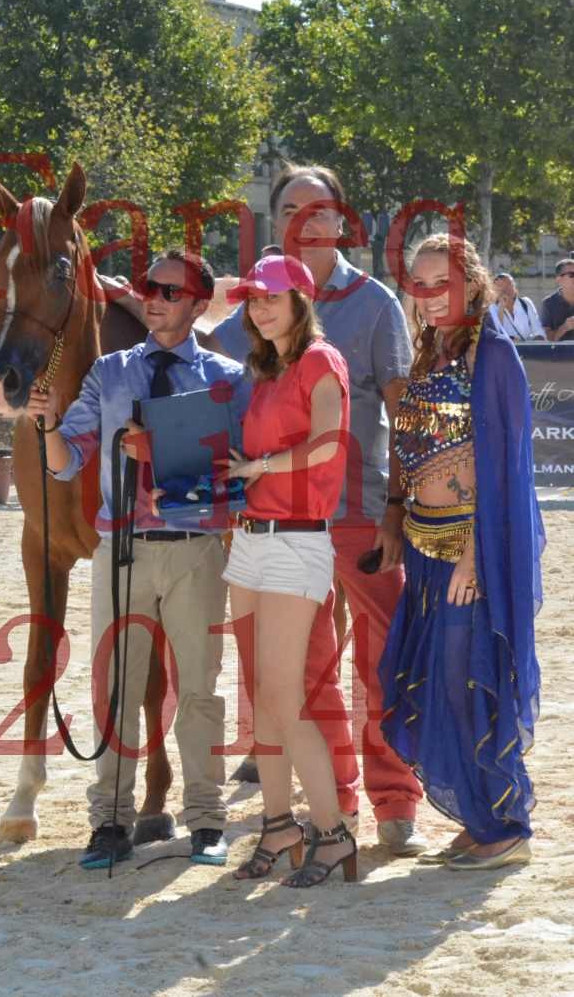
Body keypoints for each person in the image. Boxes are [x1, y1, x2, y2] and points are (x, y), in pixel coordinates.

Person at [207, 163, 426, 856]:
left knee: (382, 660)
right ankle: (339, 810)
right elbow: (204, 369)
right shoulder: (260, 304)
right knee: (306, 671)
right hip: (283, 521)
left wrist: (396, 511)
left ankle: (396, 803)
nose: (307, 221)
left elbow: (400, 412)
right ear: (277, 223)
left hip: (360, 510)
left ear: (340, 220)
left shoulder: (376, 305)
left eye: (320, 209)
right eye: (292, 210)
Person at [23, 249, 248, 870]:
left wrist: (177, 462)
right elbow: (66, 460)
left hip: (198, 550)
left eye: (171, 292)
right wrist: (46, 428)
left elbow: (243, 473)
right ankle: (110, 823)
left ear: (200, 304)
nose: (155, 298)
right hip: (120, 551)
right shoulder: (110, 373)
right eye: (151, 287)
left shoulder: (230, 379)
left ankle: (205, 821)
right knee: (115, 689)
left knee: (199, 689)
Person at [379, 234, 544, 871]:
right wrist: (396, 519)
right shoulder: (431, 352)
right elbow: (410, 449)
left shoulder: (492, 355)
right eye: (417, 285)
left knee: (466, 671)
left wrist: (475, 558)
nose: (427, 297)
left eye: (439, 283)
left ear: (471, 282)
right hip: (423, 545)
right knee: (434, 680)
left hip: (472, 550)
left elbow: (502, 466)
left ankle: (506, 824)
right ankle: (481, 817)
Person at [221, 253, 357, 887]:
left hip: (297, 544)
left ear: (302, 300)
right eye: (252, 299)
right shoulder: (267, 372)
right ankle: (279, 828)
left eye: (271, 296)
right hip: (250, 542)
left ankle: (333, 834)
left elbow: (329, 441)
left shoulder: (320, 361)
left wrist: (260, 469)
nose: (260, 307)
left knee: (282, 697)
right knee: (258, 700)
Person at [493, 272, 545, 341]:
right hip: (506, 349)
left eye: (509, 284)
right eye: (501, 286)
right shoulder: (493, 308)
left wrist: (533, 342)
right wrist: (501, 308)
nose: (506, 289)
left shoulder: (525, 303)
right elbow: (496, 333)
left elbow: (538, 330)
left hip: (527, 349)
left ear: (514, 286)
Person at [540, 259, 574, 341]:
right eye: (571, 275)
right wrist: (564, 327)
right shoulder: (548, 303)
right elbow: (546, 340)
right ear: (559, 279)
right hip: (561, 353)